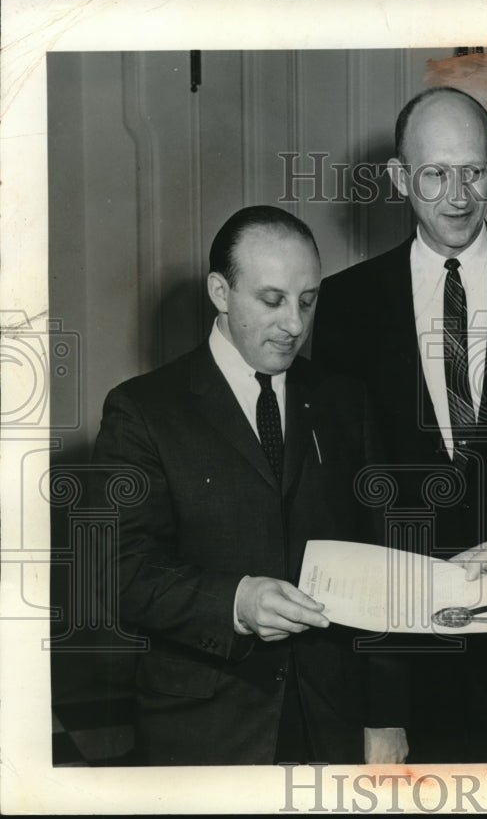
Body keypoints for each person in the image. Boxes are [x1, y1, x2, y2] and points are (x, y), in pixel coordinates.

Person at [311, 86, 487, 762]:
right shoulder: (349, 304)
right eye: (436, 174)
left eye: (473, 171)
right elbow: (346, 499)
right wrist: (378, 703)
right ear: (399, 178)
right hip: (406, 649)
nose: (459, 196)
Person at [91, 206, 406, 765]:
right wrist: (235, 600)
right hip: (205, 728)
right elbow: (118, 570)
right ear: (220, 291)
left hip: (331, 721)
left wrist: (385, 714)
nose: (295, 324)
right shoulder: (142, 410)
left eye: (307, 300)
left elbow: (384, 563)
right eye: (272, 300)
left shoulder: (345, 401)